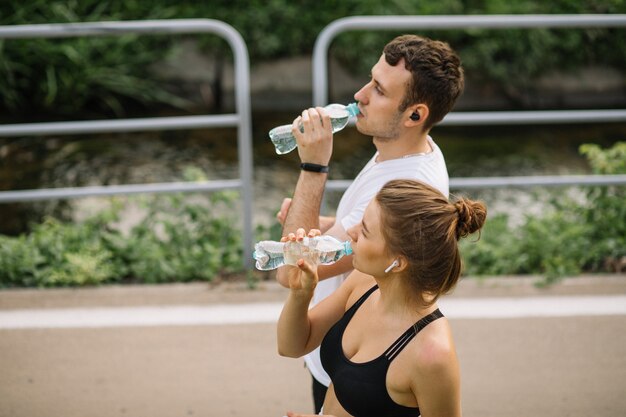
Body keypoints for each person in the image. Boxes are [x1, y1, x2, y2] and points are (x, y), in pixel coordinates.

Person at [276, 34, 465, 412]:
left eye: (378, 90)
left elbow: (288, 269)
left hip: (358, 368)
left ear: (415, 115)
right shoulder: (408, 152)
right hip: (342, 351)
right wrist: (329, 222)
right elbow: (359, 227)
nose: (360, 95)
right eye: (370, 80)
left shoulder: (402, 185)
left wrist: (314, 166)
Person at [277, 179, 487, 417]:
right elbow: (291, 346)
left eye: (364, 231)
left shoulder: (432, 354)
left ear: (397, 262)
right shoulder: (364, 282)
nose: (351, 232)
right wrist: (301, 293)